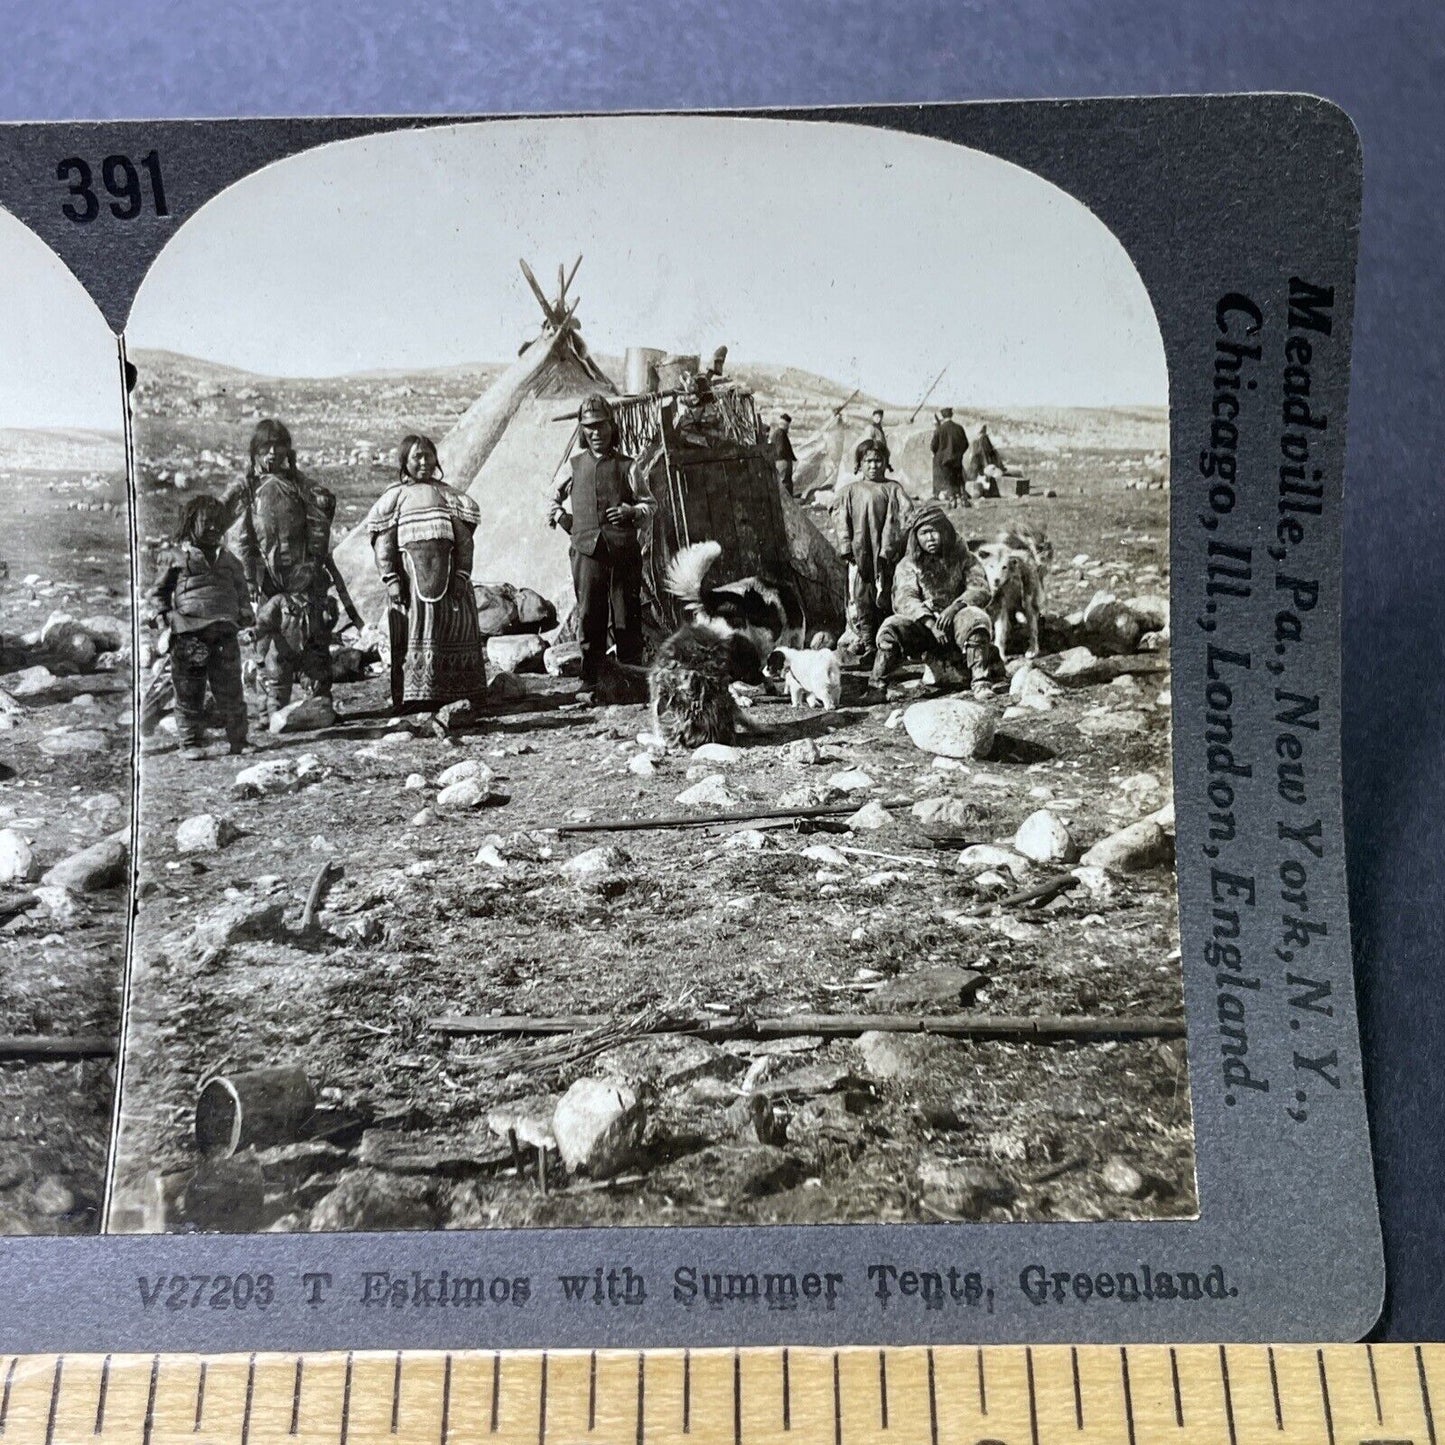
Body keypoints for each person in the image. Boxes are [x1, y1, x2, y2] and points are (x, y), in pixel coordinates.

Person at [227, 419, 353, 720]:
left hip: (305, 577)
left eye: (277, 447)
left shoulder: (298, 482)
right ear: (254, 452)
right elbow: (237, 534)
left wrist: (313, 558)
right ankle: (268, 709)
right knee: (271, 646)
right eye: (264, 448)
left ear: (286, 449)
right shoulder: (247, 487)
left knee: (315, 639)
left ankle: (320, 702)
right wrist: (248, 577)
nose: (271, 454)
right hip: (267, 580)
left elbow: (323, 505)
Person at [364, 433, 488, 712]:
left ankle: (456, 694)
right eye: (416, 457)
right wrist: (391, 580)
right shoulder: (394, 499)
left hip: (450, 583)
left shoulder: (450, 496)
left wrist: (462, 575)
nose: (423, 462)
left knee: (452, 630)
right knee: (412, 635)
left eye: (428, 455)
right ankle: (414, 698)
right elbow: (384, 544)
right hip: (410, 585)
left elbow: (465, 543)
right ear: (404, 462)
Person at [548, 394, 654, 691]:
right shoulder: (573, 465)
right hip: (586, 552)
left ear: (612, 426)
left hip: (623, 551)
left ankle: (632, 679)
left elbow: (650, 505)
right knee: (590, 614)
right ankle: (590, 678)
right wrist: (562, 518)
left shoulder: (628, 466)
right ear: (582, 430)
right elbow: (551, 498)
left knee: (626, 614)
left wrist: (631, 511)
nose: (596, 433)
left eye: (601, 426)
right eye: (590, 427)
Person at [862, 503, 1008, 704]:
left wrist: (955, 607)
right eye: (924, 533)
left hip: (957, 620)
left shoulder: (964, 557)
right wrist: (930, 622)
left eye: (935, 532)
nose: (930, 538)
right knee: (891, 628)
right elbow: (905, 598)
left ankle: (980, 681)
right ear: (916, 537)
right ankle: (876, 686)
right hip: (924, 627)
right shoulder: (908, 564)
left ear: (945, 532)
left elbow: (980, 589)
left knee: (977, 619)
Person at [145, 494, 253, 759]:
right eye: (208, 522)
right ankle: (191, 743)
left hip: (224, 632)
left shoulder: (229, 559)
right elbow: (158, 592)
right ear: (191, 523)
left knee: (230, 690)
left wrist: (245, 611)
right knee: (189, 691)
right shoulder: (176, 557)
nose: (215, 528)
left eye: (219, 522)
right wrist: (162, 617)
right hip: (188, 635)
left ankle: (239, 740)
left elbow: (241, 590)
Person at [833, 438, 911, 666]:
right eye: (868, 461)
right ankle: (868, 645)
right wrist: (846, 547)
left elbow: (905, 519)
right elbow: (839, 519)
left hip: (887, 555)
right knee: (862, 599)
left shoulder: (893, 489)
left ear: (886, 463)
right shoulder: (850, 491)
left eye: (878, 461)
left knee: (886, 597)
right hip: (860, 555)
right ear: (859, 464)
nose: (874, 466)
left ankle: (888, 645)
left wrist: (892, 548)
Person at [930, 406, 970, 506]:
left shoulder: (940, 429)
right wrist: (959, 453)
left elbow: (933, 446)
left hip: (944, 460)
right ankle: (962, 498)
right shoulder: (959, 428)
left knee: (949, 480)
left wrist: (939, 454)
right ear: (951, 415)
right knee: (959, 479)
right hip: (957, 459)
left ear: (943, 416)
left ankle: (952, 500)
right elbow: (966, 444)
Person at [768, 412, 796, 495]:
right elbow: (781, 449)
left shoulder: (778, 433)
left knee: (784, 482)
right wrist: (785, 459)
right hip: (782, 461)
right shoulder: (781, 434)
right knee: (785, 483)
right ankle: (788, 502)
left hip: (780, 460)